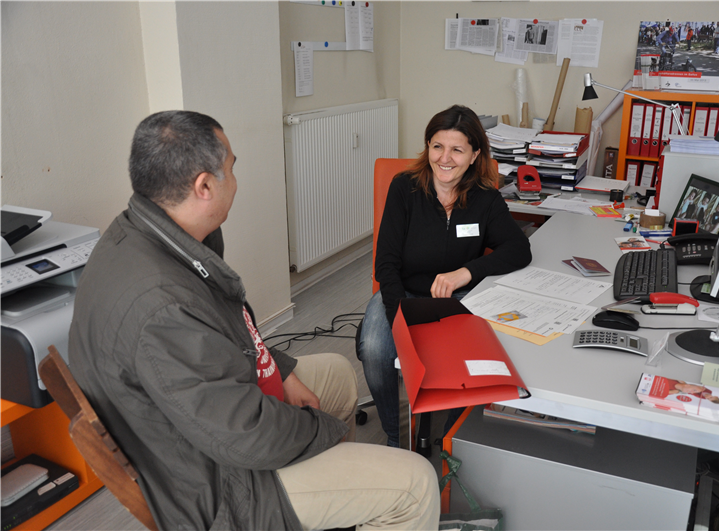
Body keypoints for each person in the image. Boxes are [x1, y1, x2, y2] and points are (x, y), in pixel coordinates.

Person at [68, 111, 440, 530]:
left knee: (337, 375)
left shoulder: (149, 234)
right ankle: (353, 499)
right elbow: (243, 436)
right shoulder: (161, 305)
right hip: (217, 485)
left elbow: (224, 336)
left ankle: (341, 508)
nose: (236, 181)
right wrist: (318, 430)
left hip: (203, 428)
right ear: (203, 186)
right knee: (416, 484)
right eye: (231, 169)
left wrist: (278, 370)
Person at [358, 105, 532, 448]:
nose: (445, 158)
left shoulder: (485, 199)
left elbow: (518, 250)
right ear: (427, 147)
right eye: (437, 146)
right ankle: (396, 435)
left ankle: (451, 435)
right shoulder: (404, 188)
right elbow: (386, 263)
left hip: (458, 301)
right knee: (375, 348)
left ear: (474, 155)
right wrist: (399, 319)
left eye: (457, 149)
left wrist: (466, 272)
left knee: (478, 360)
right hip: (403, 292)